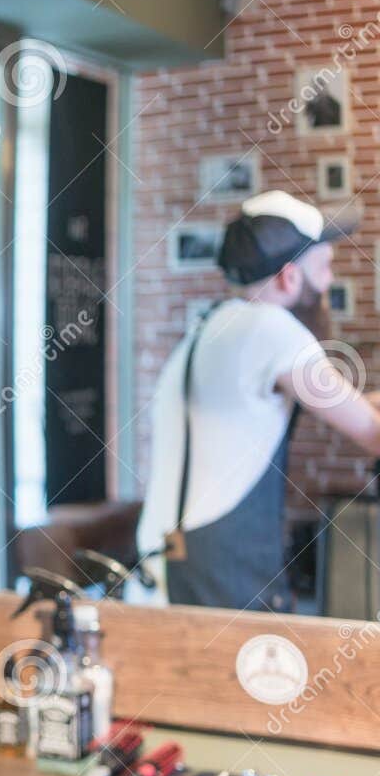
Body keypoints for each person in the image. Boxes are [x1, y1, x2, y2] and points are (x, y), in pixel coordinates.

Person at [138, 191, 380, 612]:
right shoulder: (275, 331)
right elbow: (372, 431)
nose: (328, 282)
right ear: (289, 278)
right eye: (323, 267)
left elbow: (349, 404)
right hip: (217, 567)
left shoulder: (214, 325)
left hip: (173, 555)